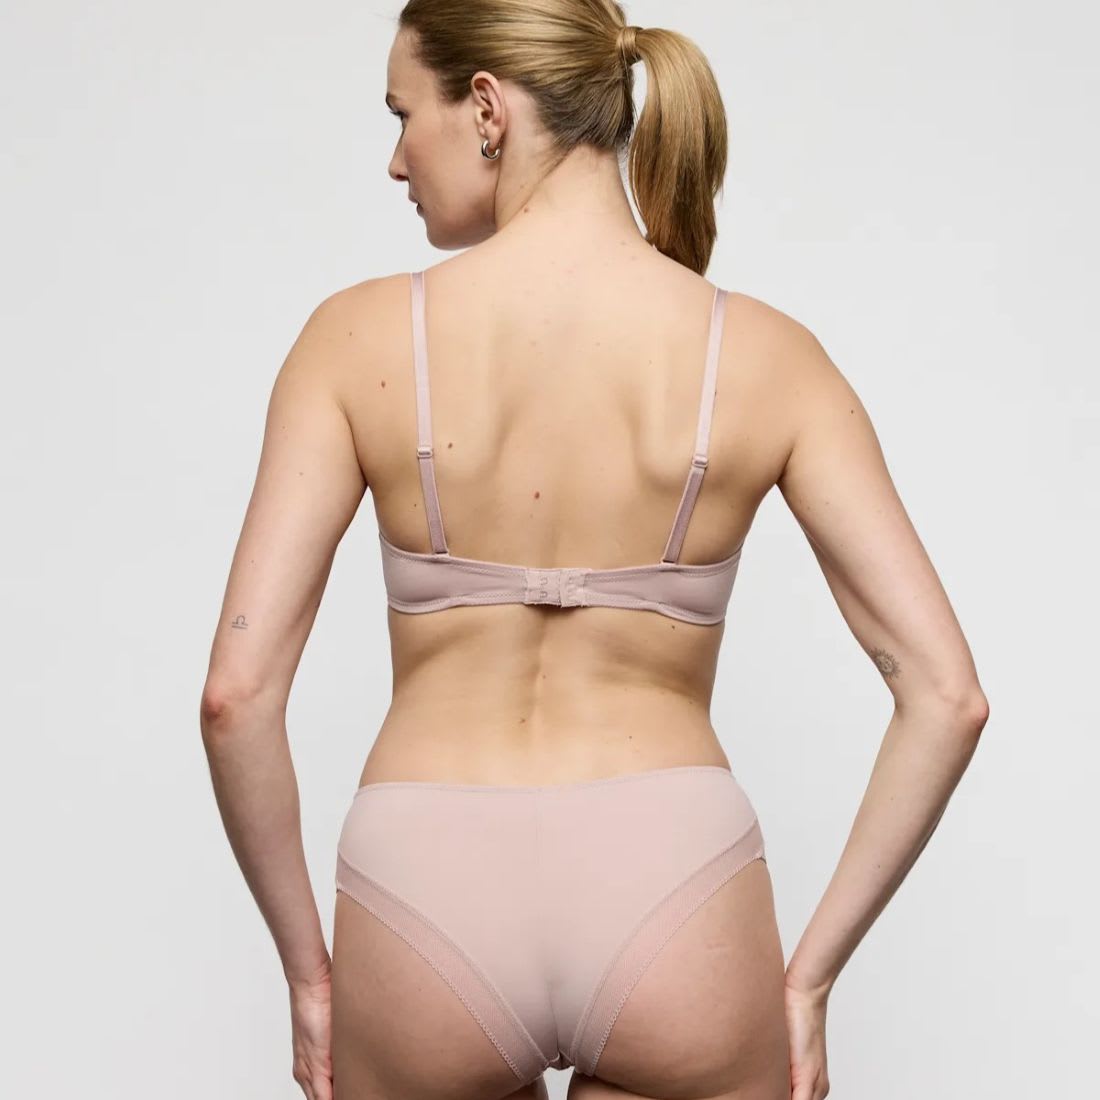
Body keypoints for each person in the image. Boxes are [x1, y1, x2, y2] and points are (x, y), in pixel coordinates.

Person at [199, 3, 990, 1099]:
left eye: (401, 114)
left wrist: (310, 976)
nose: (395, 160)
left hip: (425, 886)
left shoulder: (352, 341)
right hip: (675, 889)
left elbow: (235, 697)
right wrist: (808, 981)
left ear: (486, 108)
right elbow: (947, 696)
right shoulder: (769, 357)